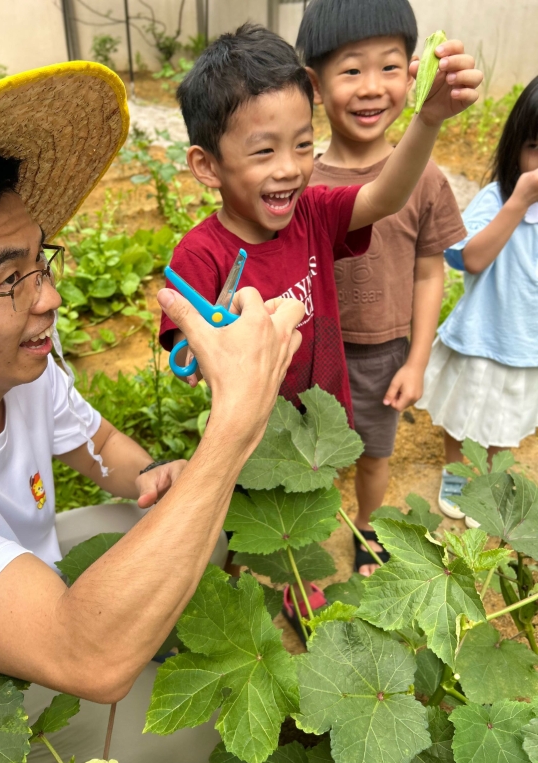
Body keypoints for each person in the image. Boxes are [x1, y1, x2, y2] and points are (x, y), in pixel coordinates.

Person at [0, 64, 304, 763]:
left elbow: (102, 448)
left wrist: (153, 481)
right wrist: (232, 427)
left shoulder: (25, 373)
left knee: (210, 530)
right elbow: (88, 655)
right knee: (196, 744)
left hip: (24, 567)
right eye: (11, 279)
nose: (48, 297)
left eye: (41, 260)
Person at [158, 22, 481, 627]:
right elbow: (188, 354)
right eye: (263, 151)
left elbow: (384, 196)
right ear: (206, 166)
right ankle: (214, 595)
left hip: (318, 419)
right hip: (249, 434)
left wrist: (429, 119)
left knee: (307, 509)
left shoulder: (314, 213)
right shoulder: (199, 257)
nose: (289, 169)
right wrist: (220, 347)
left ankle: (294, 582)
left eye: (303, 145)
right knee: (248, 516)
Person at [297, 0, 467, 575]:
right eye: (351, 70)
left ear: (413, 74)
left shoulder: (428, 177)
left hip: (383, 353)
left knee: (375, 454)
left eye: (389, 67)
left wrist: (417, 360)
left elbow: (429, 269)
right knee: (308, 457)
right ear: (314, 85)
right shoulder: (298, 183)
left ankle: (366, 529)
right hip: (313, 354)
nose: (372, 88)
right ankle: (299, 543)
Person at [417, 76, 538, 524]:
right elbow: (469, 259)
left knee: (506, 421)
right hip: (482, 336)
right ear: (514, 148)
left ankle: (490, 484)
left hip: (527, 346)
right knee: (463, 414)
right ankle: (456, 473)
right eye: (534, 146)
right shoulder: (498, 198)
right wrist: (519, 202)